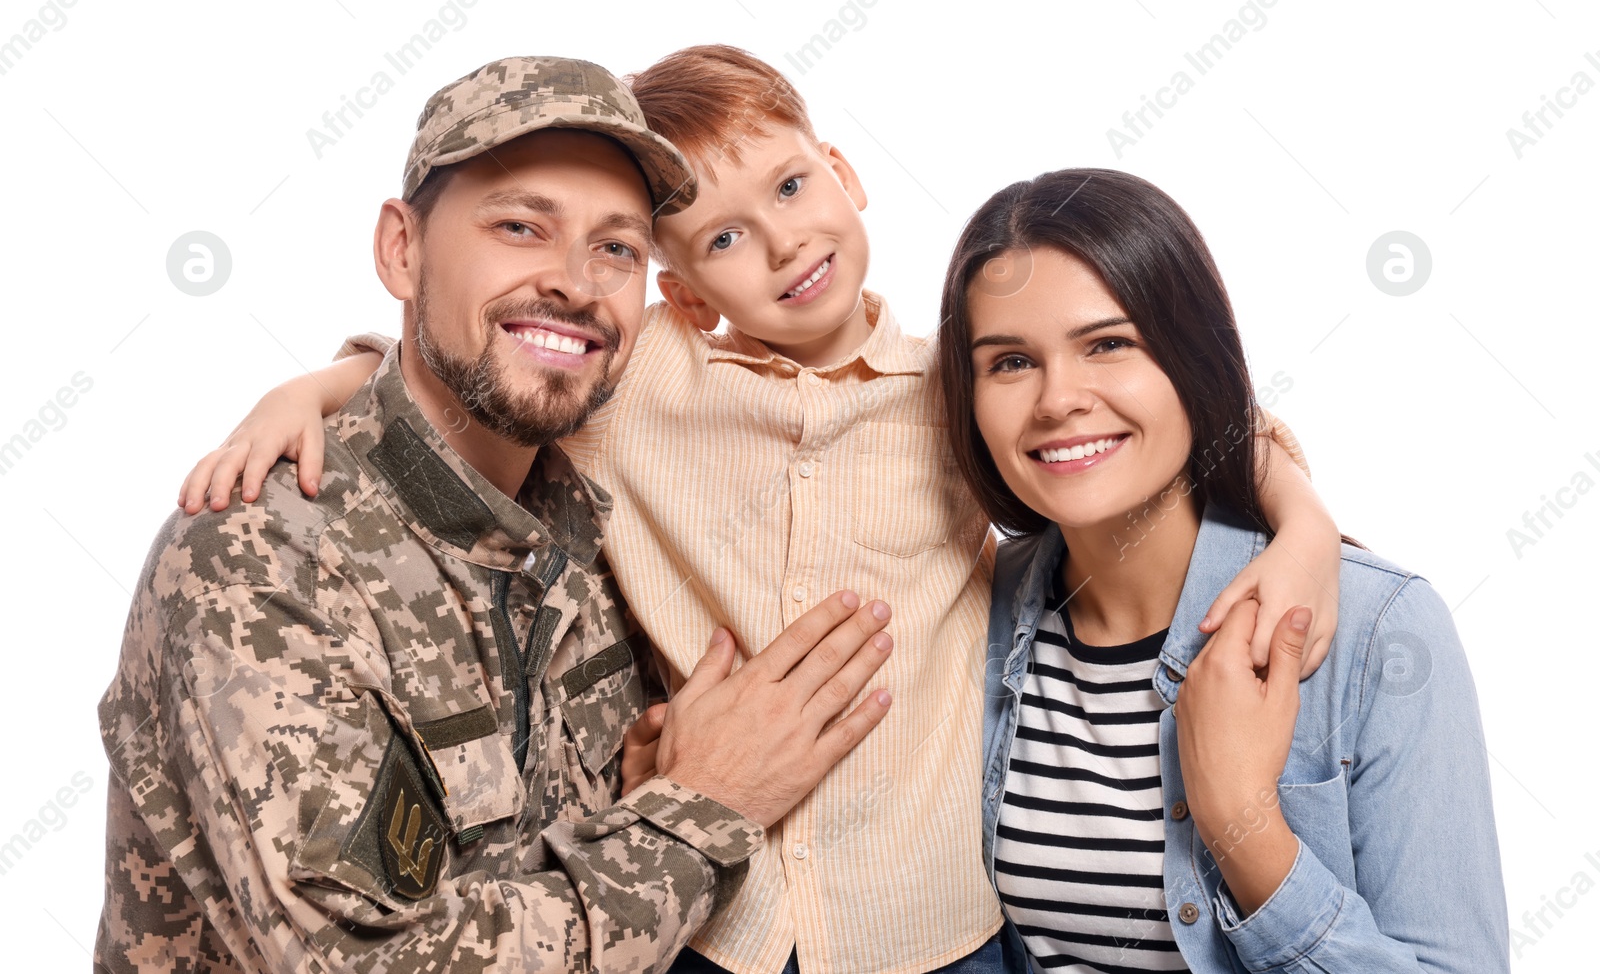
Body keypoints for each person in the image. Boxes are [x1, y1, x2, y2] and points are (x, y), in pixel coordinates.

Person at [177, 48, 1344, 974]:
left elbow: (1179, 428)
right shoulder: (641, 389)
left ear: (844, 170)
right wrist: (322, 383)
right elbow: (476, 366)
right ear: (681, 290)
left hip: (925, 926)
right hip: (711, 921)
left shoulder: (965, 386)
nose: (781, 241)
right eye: (723, 238)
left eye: (792, 186)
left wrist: (1297, 529)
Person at [95, 56, 907, 974]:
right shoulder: (256, 559)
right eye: (520, 226)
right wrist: (704, 804)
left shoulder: (596, 525)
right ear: (401, 250)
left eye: (617, 248)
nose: (574, 281)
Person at [936, 168, 1509, 972]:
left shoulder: (1381, 630)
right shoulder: (973, 610)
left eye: (1109, 344)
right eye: (1009, 362)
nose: (1058, 399)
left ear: (1192, 358)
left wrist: (1244, 823)